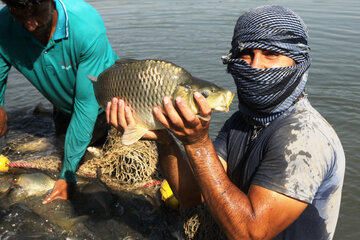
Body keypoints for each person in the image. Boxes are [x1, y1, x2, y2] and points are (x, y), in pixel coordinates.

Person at [107, 5, 346, 240]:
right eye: (246, 53)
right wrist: (165, 139)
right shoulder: (241, 122)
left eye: (271, 53)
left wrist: (198, 143)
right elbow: (191, 196)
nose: (255, 65)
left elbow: (249, 233)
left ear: (298, 61)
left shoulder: (305, 137)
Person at [0, 0, 118, 204]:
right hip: (63, 106)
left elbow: (85, 106)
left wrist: (67, 174)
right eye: (19, 14)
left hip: (103, 107)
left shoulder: (85, 26)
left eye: (37, 12)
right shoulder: (3, 26)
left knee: (90, 165)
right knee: (61, 144)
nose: (30, 25)